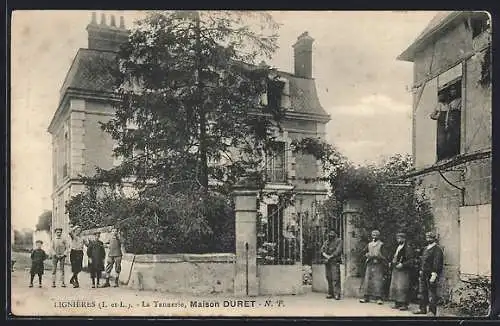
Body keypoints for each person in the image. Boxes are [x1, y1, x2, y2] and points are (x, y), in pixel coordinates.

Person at [414, 231, 444, 316]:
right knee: (422, 291)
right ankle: (422, 309)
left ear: (434, 238)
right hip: (423, 273)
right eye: (427, 237)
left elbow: (437, 262)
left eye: (430, 237)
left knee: (432, 292)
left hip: (431, 274)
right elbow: (422, 261)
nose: (428, 239)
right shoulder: (425, 248)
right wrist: (421, 270)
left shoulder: (437, 249)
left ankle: (432, 311)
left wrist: (434, 273)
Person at [360, 230, 388, 305]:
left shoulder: (381, 244)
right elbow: (363, 252)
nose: (374, 236)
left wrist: (379, 257)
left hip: (378, 264)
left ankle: (379, 298)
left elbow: (385, 256)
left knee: (378, 281)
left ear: (379, 236)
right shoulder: (369, 244)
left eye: (376, 235)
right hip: (370, 263)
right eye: (373, 235)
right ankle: (366, 297)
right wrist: (366, 255)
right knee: (367, 280)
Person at [389, 232, 414, 311]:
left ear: (404, 239)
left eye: (400, 238)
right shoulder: (397, 247)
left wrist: (403, 264)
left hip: (404, 271)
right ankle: (397, 303)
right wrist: (391, 262)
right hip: (396, 269)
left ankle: (404, 304)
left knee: (402, 286)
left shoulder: (408, 248)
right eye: (397, 238)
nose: (398, 240)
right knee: (396, 285)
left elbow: (411, 260)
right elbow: (394, 256)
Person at [320, 230, 343, 300]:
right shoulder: (327, 242)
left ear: (335, 234)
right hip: (327, 262)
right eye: (330, 233)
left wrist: (331, 256)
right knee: (329, 277)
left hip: (335, 261)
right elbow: (322, 250)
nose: (331, 234)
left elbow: (338, 251)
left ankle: (337, 294)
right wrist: (325, 255)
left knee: (335, 278)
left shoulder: (339, 241)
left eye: (332, 233)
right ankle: (331, 293)